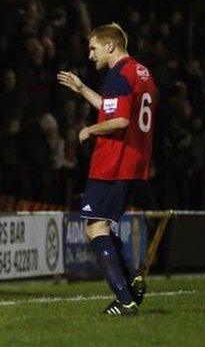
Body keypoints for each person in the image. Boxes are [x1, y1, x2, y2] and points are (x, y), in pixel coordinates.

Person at [57, 23, 156, 315]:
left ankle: (124, 300)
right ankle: (132, 280)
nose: (90, 55)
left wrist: (89, 129)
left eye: (93, 48)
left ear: (110, 46)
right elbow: (113, 108)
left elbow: (121, 121)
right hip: (134, 162)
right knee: (103, 224)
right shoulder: (141, 72)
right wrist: (81, 88)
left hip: (113, 162)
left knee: (95, 227)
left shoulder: (118, 74)